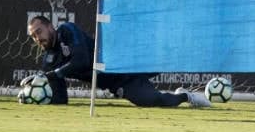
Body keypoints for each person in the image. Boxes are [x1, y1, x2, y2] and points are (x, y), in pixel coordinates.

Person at [24, 15, 211, 107]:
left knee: (168, 61)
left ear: (50, 26)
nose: (37, 38)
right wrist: (34, 95)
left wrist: (53, 74)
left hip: (126, 60)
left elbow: (82, 60)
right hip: (119, 83)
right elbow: (60, 99)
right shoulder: (49, 61)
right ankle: (186, 96)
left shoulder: (67, 30)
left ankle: (199, 37)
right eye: (33, 36)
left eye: (39, 31)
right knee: (152, 100)